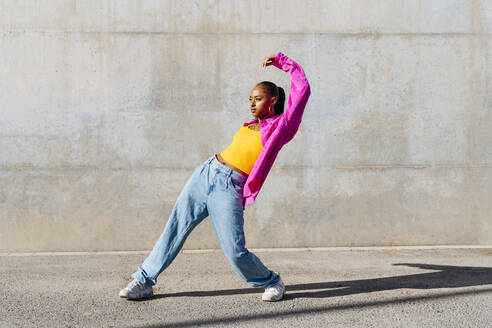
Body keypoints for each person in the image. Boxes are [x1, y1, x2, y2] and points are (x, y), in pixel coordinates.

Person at [119, 51, 311, 301]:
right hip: (207, 172)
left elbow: (303, 88)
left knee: (235, 250)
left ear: (273, 101)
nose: (252, 104)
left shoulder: (281, 126)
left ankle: (271, 280)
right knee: (175, 227)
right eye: (250, 99)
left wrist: (282, 63)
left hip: (230, 186)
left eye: (258, 99)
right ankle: (143, 280)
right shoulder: (249, 124)